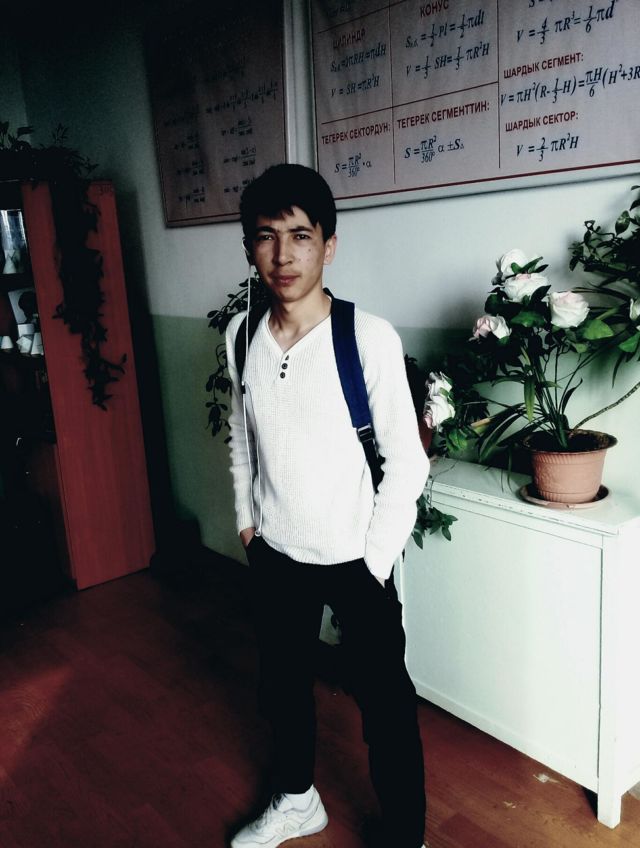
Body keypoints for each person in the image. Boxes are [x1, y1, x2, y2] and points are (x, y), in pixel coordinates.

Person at [226, 163, 430, 848]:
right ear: (250, 248)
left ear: (329, 245)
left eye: (301, 236)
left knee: (386, 707)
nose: (283, 256)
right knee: (282, 688)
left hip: (354, 557)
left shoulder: (366, 338)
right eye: (266, 237)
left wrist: (373, 561)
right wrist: (248, 522)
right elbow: (241, 436)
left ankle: (405, 835)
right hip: (277, 550)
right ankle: (297, 800)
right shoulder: (241, 334)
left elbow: (408, 462)